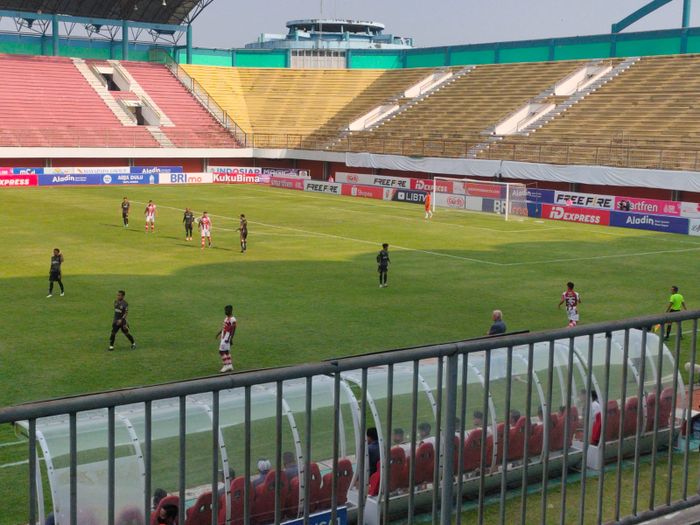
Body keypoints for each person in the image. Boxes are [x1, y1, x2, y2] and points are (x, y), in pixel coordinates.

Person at [215, 304, 237, 372]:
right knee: (226, 351)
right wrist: (219, 333)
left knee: (221, 351)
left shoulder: (233, 319)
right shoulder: (226, 318)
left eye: (227, 310)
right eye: (225, 310)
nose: (226, 311)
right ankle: (230, 365)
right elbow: (224, 327)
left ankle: (226, 365)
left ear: (231, 311)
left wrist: (231, 339)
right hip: (224, 335)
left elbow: (233, 329)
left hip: (227, 337)